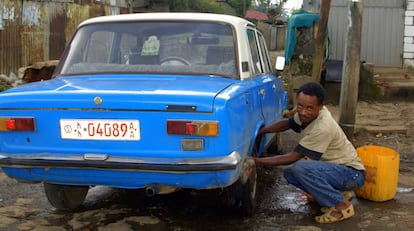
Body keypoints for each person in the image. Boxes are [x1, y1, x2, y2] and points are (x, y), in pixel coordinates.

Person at [254, 82, 365, 223]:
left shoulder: (323, 127)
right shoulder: (306, 116)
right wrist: (262, 131)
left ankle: (342, 206)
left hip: (352, 174)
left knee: (301, 168)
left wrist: (256, 161)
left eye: (309, 108)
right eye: (300, 106)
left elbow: (293, 157)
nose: (303, 112)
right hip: (337, 170)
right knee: (290, 174)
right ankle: (337, 195)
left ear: (320, 106)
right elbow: (288, 123)